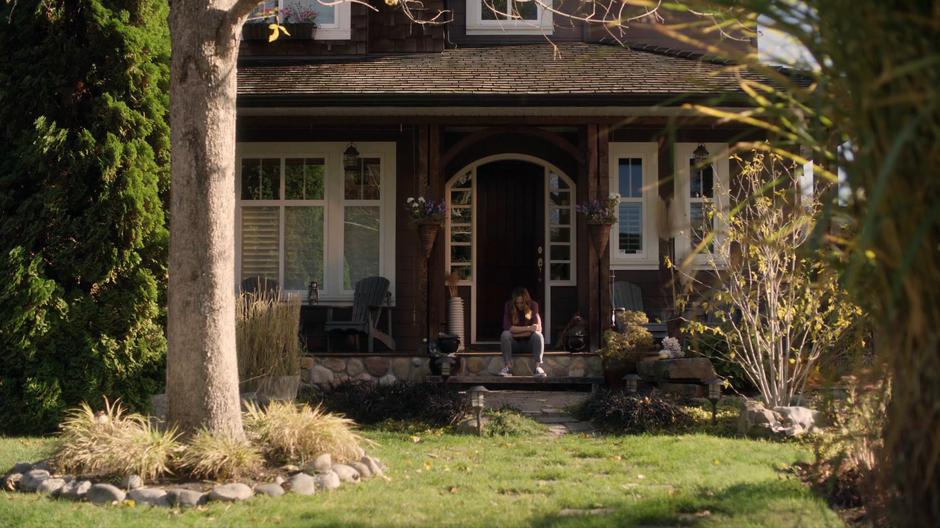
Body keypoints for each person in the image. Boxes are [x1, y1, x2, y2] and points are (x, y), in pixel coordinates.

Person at [499, 287, 547, 378]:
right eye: (517, 303)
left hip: (529, 344)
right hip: (514, 345)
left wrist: (516, 332)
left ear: (526, 301)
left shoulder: (533, 305)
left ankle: (538, 368)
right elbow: (508, 328)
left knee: (538, 335)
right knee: (505, 335)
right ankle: (508, 368)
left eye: (522, 303)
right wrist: (528, 329)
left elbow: (537, 328)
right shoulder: (508, 305)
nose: (519, 305)